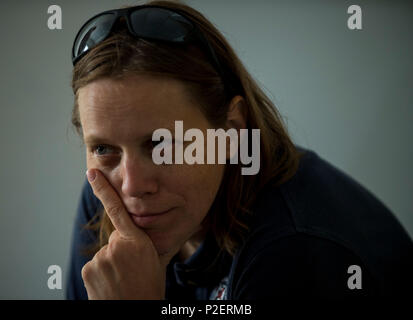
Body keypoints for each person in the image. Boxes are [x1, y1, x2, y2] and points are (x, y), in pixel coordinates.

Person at [66, 1, 413, 300]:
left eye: (162, 144)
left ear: (230, 131)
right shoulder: (103, 194)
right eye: (104, 148)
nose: (131, 186)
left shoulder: (295, 249)